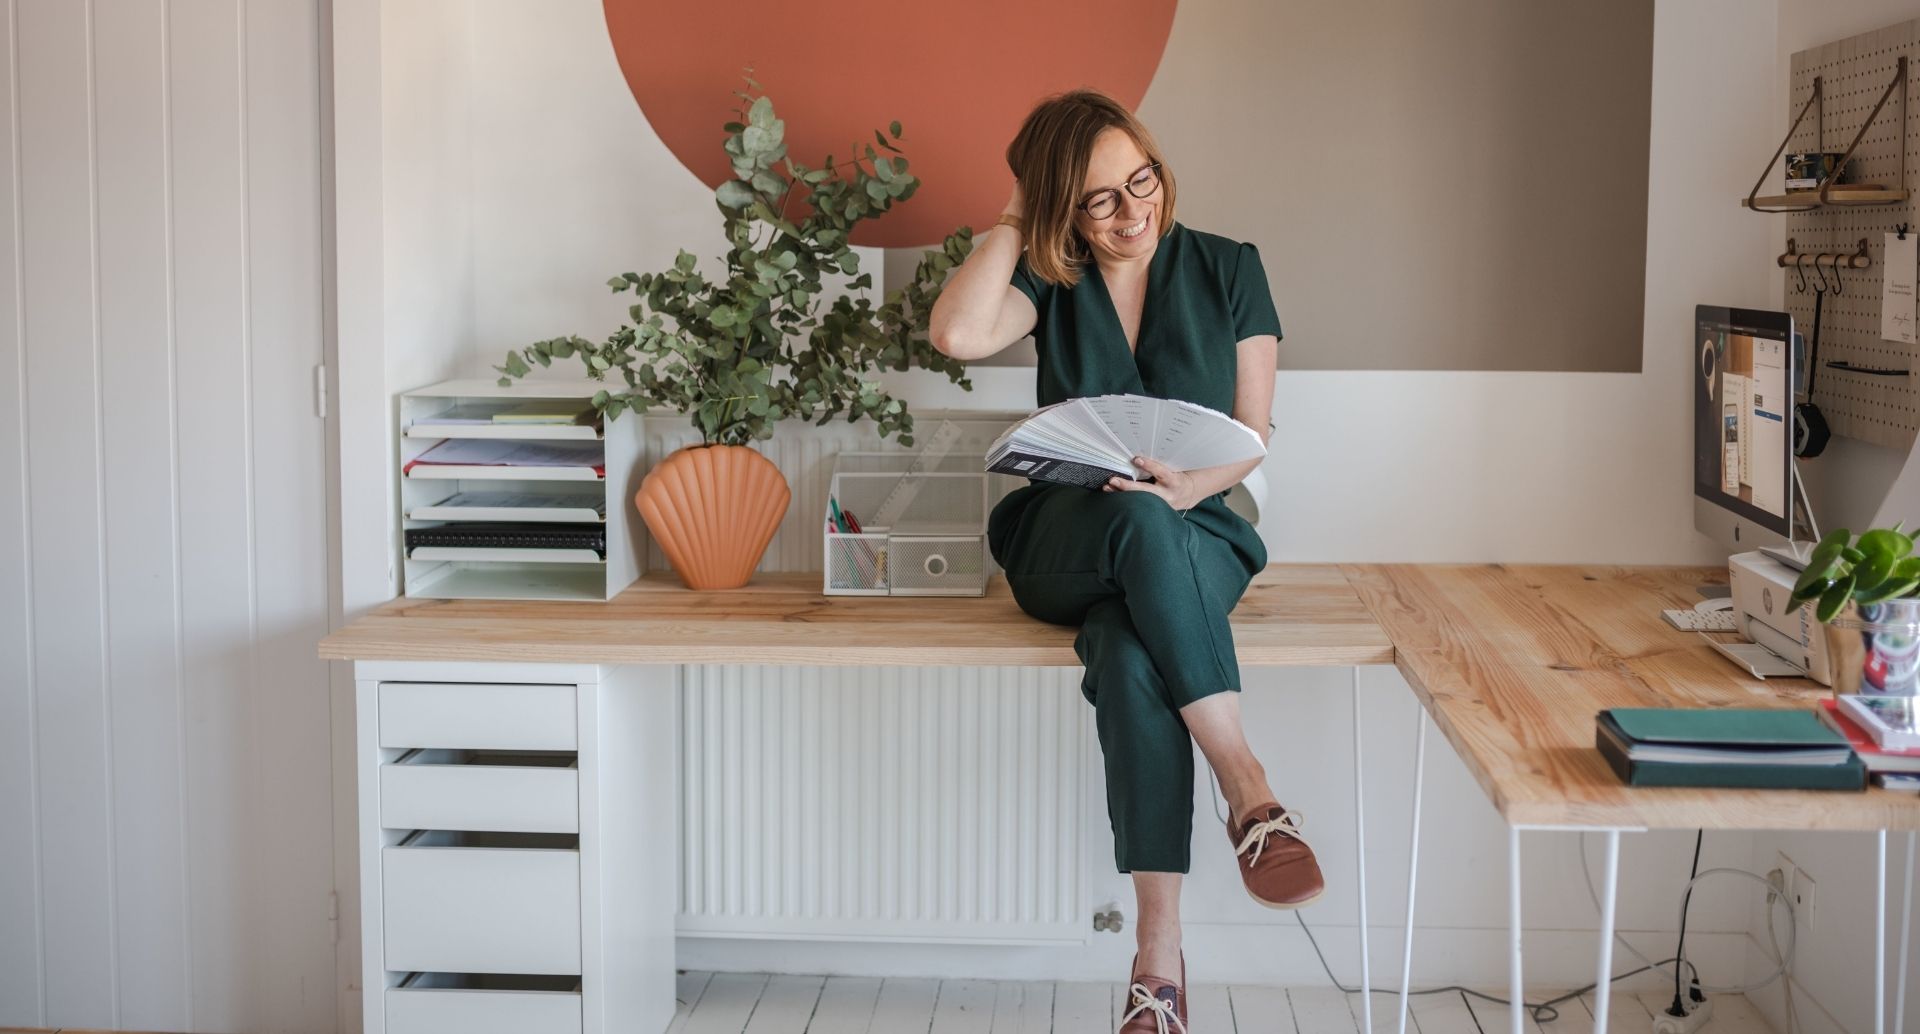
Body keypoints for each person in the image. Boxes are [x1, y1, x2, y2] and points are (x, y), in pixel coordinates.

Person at [929, 89, 1324, 1034]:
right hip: (1066, 535)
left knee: (1128, 646)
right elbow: (955, 334)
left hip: (1197, 531)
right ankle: (1247, 787)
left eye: (1140, 180)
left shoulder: (1232, 267)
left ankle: (1158, 959)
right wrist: (1023, 210)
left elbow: (1255, 434)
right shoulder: (1046, 274)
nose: (1131, 210)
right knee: (1136, 532)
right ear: (1063, 207)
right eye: (1099, 198)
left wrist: (1192, 489)